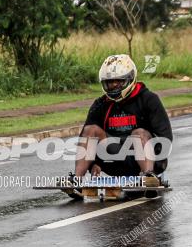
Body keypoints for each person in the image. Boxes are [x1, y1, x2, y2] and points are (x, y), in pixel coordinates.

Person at [71, 54, 173, 187]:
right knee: (91, 130)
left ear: (130, 79)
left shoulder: (149, 99)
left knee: (139, 133)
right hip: (114, 161)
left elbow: (165, 138)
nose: (114, 86)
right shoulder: (101, 104)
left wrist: (157, 163)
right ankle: (76, 181)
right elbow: (87, 141)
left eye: (118, 81)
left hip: (146, 160)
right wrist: (95, 163)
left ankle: (148, 177)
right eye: (110, 82)